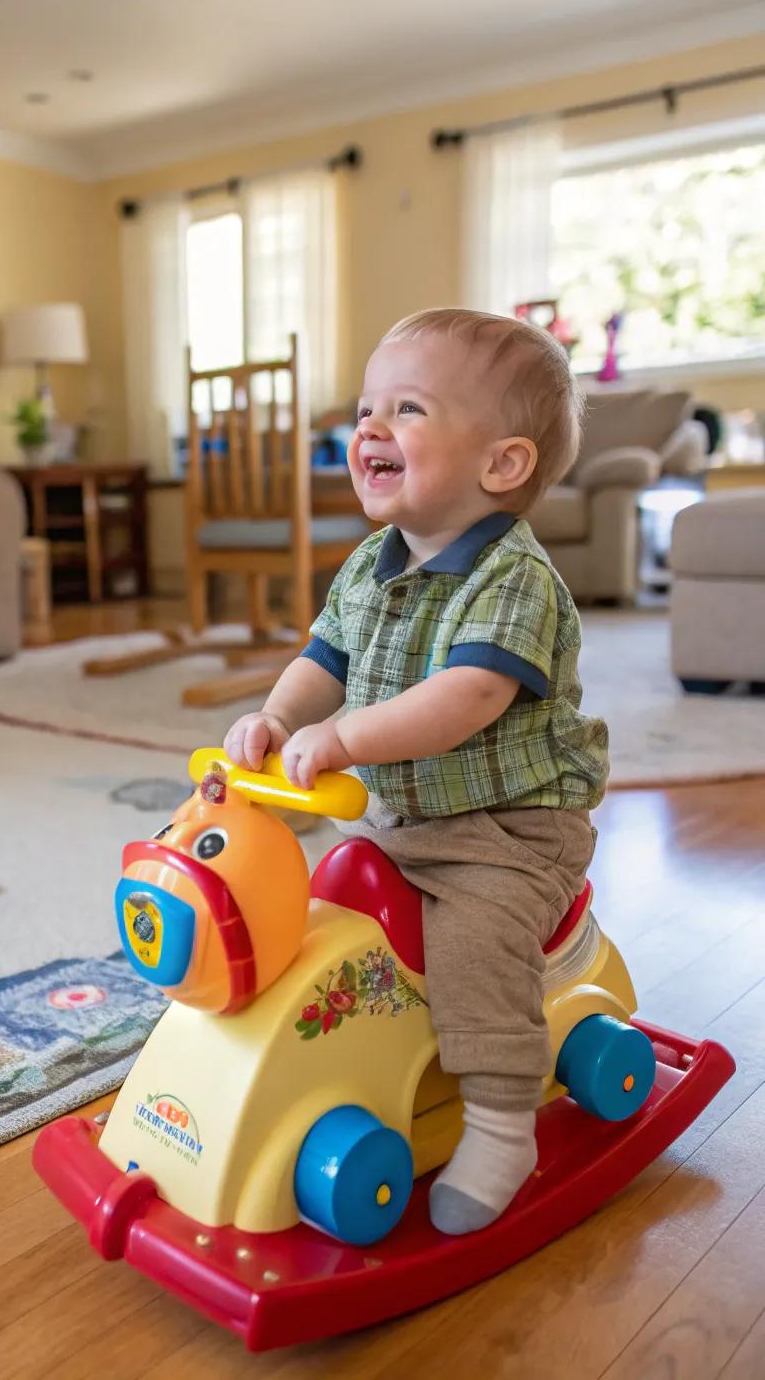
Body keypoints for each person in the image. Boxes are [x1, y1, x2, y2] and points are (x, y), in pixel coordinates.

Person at [224, 307, 609, 1236]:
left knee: (472, 939)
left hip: (514, 827)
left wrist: (349, 741)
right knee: (334, 909)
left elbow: (468, 698)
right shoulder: (369, 563)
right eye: (365, 408)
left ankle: (501, 1120)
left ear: (502, 465)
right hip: (414, 819)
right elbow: (324, 658)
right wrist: (280, 717)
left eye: (407, 408)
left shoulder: (513, 578)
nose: (369, 427)